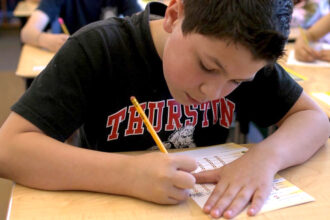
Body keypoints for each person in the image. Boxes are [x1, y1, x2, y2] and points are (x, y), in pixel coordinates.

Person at [0, 0, 329, 219]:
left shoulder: (243, 57)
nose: (212, 93)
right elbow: (9, 149)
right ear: (173, 16)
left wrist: (264, 158)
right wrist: (128, 175)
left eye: (237, 81)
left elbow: (314, 120)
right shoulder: (99, 48)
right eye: (206, 66)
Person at [20, 0, 142, 52]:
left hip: (108, 55)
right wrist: (45, 39)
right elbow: (27, 32)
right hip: (75, 56)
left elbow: (144, 24)